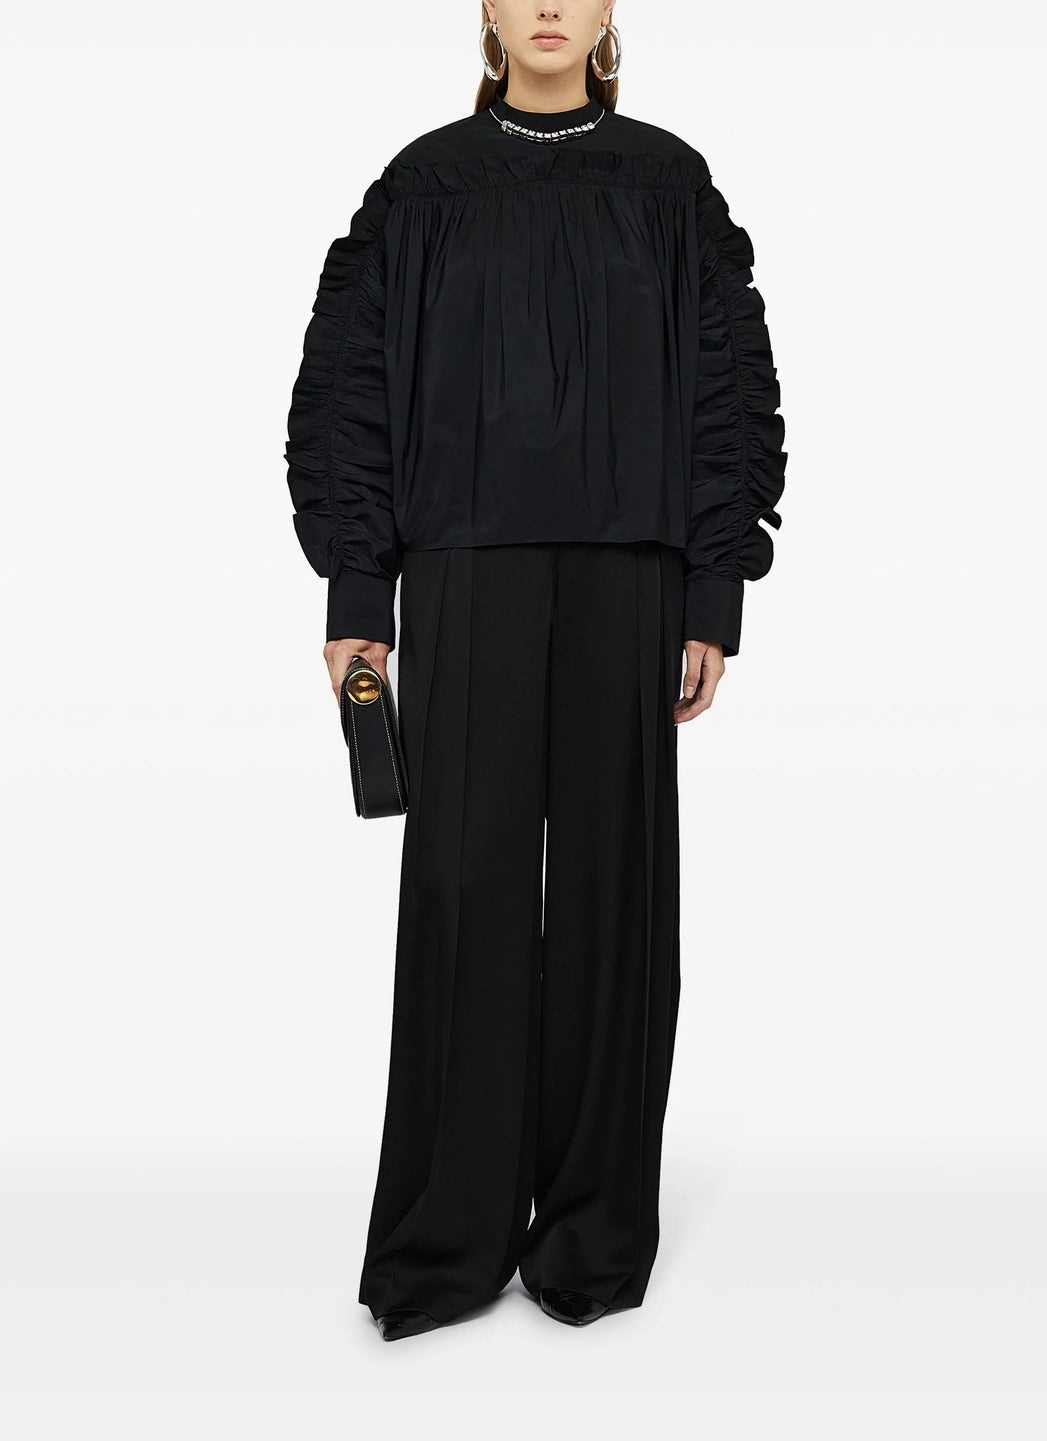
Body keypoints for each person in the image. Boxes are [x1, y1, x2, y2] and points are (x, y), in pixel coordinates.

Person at [283, 0, 787, 1342]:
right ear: (489, 13)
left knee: (618, 896)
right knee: (465, 890)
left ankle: (593, 1231)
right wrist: (358, 589)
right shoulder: (423, 186)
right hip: (464, 568)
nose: (551, 5)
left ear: (610, 11)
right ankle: (446, 1238)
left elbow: (729, 389)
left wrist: (714, 588)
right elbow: (348, 385)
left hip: (633, 573)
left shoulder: (668, 183)